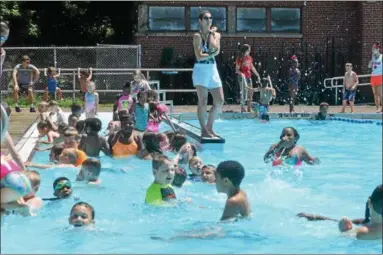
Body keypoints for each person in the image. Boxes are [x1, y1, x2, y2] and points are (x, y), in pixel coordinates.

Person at [192, 10, 224, 138]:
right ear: (200, 20)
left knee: (220, 100)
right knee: (203, 100)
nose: (208, 20)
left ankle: (210, 127)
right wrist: (211, 54)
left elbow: (215, 47)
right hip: (200, 70)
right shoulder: (197, 36)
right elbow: (199, 56)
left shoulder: (216, 35)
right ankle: (203, 129)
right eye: (205, 18)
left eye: (210, 18)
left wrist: (211, 33)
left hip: (212, 69)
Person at [236, 44, 261, 113]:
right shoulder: (239, 58)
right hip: (242, 78)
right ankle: (242, 109)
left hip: (248, 77)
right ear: (245, 50)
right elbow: (237, 70)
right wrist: (242, 74)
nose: (250, 51)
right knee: (243, 93)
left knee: (251, 92)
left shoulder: (249, 57)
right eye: (249, 50)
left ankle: (249, 109)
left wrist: (257, 75)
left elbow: (252, 67)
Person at [368, 43, 382, 112]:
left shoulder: (382, 57)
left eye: (374, 49)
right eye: (373, 49)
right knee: (375, 94)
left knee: (380, 94)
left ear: (378, 49)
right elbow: (369, 66)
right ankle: (377, 108)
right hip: (373, 77)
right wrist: (371, 60)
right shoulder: (373, 57)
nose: (373, 50)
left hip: (380, 76)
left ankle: (382, 108)